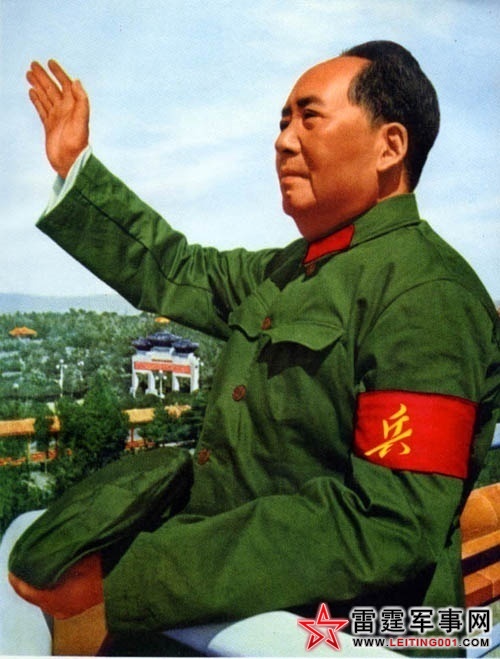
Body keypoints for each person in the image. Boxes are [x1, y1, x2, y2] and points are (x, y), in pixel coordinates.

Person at [7, 40, 500, 655]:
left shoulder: (428, 295)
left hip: (357, 635)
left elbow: (386, 526)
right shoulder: (292, 272)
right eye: (283, 121)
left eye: (309, 117)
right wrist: (77, 169)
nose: (283, 140)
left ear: (389, 146)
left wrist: (128, 579)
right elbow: (177, 269)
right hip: (235, 611)